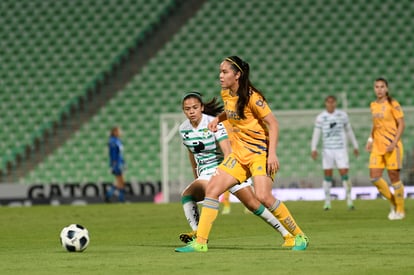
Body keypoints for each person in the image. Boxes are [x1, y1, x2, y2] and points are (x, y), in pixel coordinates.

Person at [175, 56, 308, 253]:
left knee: (263, 197)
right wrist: (217, 120)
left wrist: (272, 155)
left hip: (258, 154)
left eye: (225, 72)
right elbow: (230, 112)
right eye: (220, 71)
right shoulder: (227, 93)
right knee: (212, 189)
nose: (220, 75)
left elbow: (273, 124)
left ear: (237, 75)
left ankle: (298, 235)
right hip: (238, 155)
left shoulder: (254, 97)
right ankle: (200, 242)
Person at [178, 92, 294, 247]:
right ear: (183, 110)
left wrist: (224, 173)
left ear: (202, 108)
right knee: (188, 195)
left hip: (225, 168)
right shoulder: (183, 129)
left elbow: (227, 151)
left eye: (195, 107)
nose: (191, 111)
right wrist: (196, 174)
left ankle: (288, 235)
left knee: (253, 203)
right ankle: (198, 233)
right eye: (187, 109)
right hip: (206, 173)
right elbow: (191, 153)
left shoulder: (213, 123)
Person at [365, 78, 405, 220]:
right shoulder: (373, 105)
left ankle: (400, 210)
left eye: (382, 86)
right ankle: (395, 202)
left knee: (394, 177)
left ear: (386, 89)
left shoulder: (393, 104)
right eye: (377, 87)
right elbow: (375, 125)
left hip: (392, 145)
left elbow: (401, 124)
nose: (379, 89)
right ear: (374, 89)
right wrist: (370, 139)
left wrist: (394, 142)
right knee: (374, 177)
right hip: (377, 146)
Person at [311, 95, 359, 210]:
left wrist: (355, 145)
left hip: (341, 149)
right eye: (328, 102)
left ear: (335, 103)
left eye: (332, 102)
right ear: (325, 103)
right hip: (327, 150)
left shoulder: (342, 115)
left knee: (344, 173)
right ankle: (327, 202)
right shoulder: (321, 117)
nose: (331, 104)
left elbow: (349, 131)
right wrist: (313, 148)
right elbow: (316, 133)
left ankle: (349, 201)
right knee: (328, 175)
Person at [104, 126, 126, 202]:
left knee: (120, 182)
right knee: (120, 181)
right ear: (115, 132)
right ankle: (118, 198)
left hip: (119, 162)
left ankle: (109, 196)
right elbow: (113, 154)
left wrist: (123, 162)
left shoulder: (117, 140)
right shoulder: (112, 141)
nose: (120, 132)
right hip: (116, 163)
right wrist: (113, 164)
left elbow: (120, 154)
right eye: (119, 131)